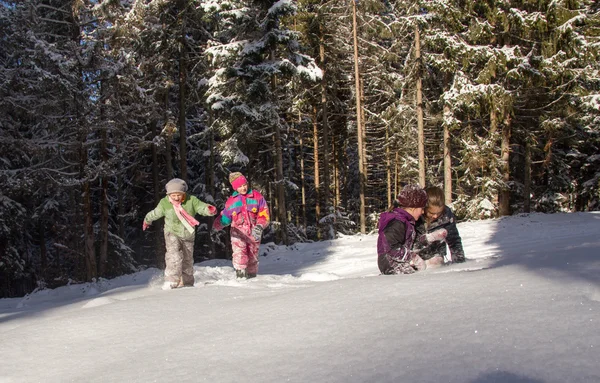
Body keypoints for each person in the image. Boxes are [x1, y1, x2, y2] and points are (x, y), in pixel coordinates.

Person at [143, 178, 217, 289]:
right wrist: (147, 220)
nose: (176, 198)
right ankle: (171, 280)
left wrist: (208, 209)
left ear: (184, 193)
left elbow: (201, 207)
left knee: (187, 258)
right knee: (174, 255)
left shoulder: (191, 200)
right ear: (169, 194)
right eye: (173, 195)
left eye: (179, 195)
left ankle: (187, 281)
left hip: (188, 233)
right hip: (171, 232)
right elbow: (155, 213)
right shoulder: (164, 203)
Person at [212, 172, 270, 279]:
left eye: (244, 185)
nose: (243, 188)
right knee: (239, 253)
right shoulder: (231, 201)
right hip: (237, 232)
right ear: (235, 188)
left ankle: (252, 276)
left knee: (253, 255)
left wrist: (260, 226)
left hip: (254, 232)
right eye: (239, 186)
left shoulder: (257, 197)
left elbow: (264, 213)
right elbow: (225, 217)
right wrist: (217, 226)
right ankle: (241, 275)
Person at [377, 184, 437, 275]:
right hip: (390, 262)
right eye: (422, 208)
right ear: (413, 208)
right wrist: (412, 257)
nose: (423, 212)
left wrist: (429, 239)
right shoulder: (398, 222)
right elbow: (391, 247)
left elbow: (414, 243)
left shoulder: (408, 222)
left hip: (398, 260)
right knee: (412, 278)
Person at [414, 186, 465, 267]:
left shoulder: (446, 215)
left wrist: (459, 261)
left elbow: (454, 239)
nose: (435, 216)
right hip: (415, 257)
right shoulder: (415, 215)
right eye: (431, 213)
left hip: (436, 255)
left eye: (439, 213)